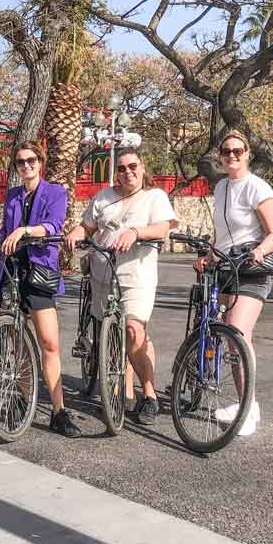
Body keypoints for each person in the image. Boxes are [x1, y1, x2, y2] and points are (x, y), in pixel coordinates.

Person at [65, 147, 178, 426]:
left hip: (135, 276)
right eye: (122, 168)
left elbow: (163, 229)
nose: (128, 172)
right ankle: (119, 393)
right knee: (112, 337)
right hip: (103, 275)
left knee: (133, 330)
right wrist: (75, 235)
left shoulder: (155, 197)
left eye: (133, 166)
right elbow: (87, 227)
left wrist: (136, 231)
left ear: (142, 168)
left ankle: (149, 395)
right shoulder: (104, 197)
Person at [0, 142, 79, 438]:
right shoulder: (12, 196)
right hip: (11, 269)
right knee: (15, 336)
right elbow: (7, 232)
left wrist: (24, 231)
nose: (26, 166)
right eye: (20, 162)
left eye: (31, 160)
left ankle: (59, 410)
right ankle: (21, 395)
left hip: (39, 270)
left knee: (49, 342)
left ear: (40, 162)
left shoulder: (55, 192)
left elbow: (53, 226)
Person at [196, 130, 273, 437]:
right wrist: (208, 254)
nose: (232, 155)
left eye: (238, 151)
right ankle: (247, 402)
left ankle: (248, 409)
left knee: (237, 333)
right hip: (226, 268)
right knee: (232, 341)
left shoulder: (257, 187)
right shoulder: (221, 187)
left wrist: (259, 251)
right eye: (226, 151)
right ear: (220, 156)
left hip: (252, 270)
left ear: (248, 154)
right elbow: (222, 233)